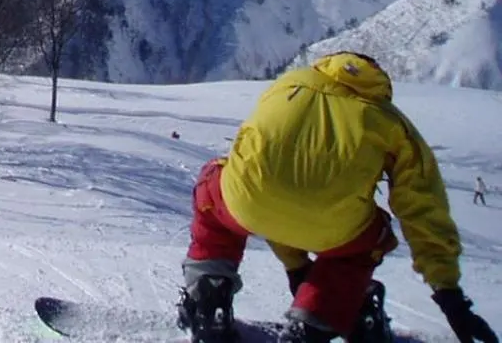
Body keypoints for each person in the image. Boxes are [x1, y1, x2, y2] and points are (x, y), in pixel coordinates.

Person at [179, 52, 496, 343]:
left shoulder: (288, 84)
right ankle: (314, 319)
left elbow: (272, 180)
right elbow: (424, 211)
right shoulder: (393, 123)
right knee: (371, 238)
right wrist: (449, 296)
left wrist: (297, 267)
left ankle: (210, 298)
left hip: (244, 203)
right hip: (334, 227)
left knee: (214, 185)